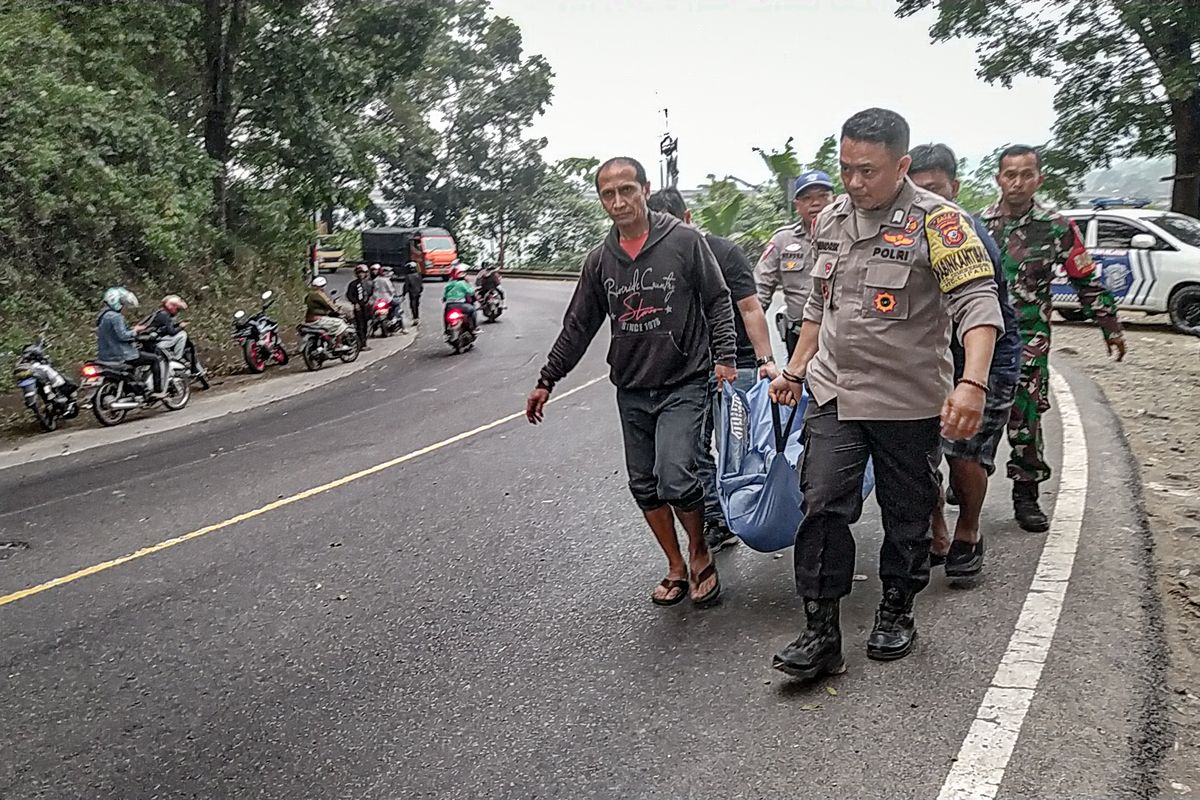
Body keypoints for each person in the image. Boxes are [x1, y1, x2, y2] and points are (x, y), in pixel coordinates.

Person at [768, 109, 1004, 678]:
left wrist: (972, 382)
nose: (853, 183)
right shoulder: (829, 221)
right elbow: (818, 308)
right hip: (834, 391)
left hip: (908, 401)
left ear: (902, 165)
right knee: (822, 503)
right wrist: (796, 371)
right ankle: (821, 629)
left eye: (867, 171)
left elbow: (977, 304)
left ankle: (897, 607)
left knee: (907, 512)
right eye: (846, 168)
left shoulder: (939, 223)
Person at [527, 156, 738, 608]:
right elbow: (578, 325)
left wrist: (724, 358)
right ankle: (675, 564)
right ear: (602, 200)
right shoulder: (601, 260)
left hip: (684, 381)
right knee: (644, 484)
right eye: (608, 194)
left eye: (627, 190)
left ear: (644, 189)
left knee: (677, 475)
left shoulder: (683, 242)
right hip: (632, 388)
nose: (619, 201)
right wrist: (548, 378)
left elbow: (718, 299)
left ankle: (700, 553)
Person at [981, 145, 1127, 532]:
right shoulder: (979, 225)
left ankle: (1025, 492)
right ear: (998, 179)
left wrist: (1109, 327)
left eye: (1026, 174)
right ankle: (969, 478)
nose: (1017, 182)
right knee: (973, 411)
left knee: (1025, 413)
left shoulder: (1057, 227)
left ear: (1038, 179)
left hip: (1029, 335)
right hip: (980, 334)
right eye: (1010, 174)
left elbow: (1086, 279)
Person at [907, 144, 1022, 578]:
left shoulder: (967, 235)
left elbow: (979, 311)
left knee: (963, 456)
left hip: (984, 360)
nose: (926, 200)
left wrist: (973, 383)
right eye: (916, 190)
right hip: (926, 362)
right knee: (918, 458)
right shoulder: (897, 233)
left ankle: (968, 530)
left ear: (954, 188)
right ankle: (936, 527)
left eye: (935, 189)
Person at [647, 187, 780, 553]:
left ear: (688, 218)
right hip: (685, 373)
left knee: (741, 448)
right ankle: (716, 518)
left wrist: (766, 360)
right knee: (692, 451)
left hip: (735, 367)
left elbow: (751, 308)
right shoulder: (653, 262)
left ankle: (757, 513)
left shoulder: (725, 252)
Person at [755, 170, 837, 357]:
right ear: (797, 205)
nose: (815, 203)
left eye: (823, 196)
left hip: (839, 337)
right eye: (807, 198)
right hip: (799, 337)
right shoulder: (783, 240)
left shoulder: (851, 236)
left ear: (835, 199)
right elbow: (761, 289)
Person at [96, 287, 167, 398]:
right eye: (124, 304)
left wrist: (132, 330)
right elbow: (123, 336)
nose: (125, 308)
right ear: (117, 302)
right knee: (154, 359)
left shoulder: (102, 316)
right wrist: (136, 331)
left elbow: (114, 333)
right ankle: (158, 391)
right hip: (122, 354)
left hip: (106, 355)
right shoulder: (116, 317)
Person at [304, 276, 352, 341]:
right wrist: (338, 311)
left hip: (309, 317)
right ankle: (339, 344)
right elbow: (329, 304)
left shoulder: (310, 294)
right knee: (340, 322)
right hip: (317, 318)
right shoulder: (319, 294)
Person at [149, 294, 190, 361]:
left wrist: (178, 325)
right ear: (171, 306)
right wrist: (181, 327)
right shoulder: (165, 315)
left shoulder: (160, 313)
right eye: (177, 309)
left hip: (155, 341)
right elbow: (172, 332)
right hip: (157, 344)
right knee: (183, 334)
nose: (177, 311)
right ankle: (177, 358)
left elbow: (166, 329)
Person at [442, 265, 478, 333]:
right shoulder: (462, 283)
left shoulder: (449, 284)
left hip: (449, 305)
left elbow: (445, 295)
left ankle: (446, 331)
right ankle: (474, 328)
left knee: (446, 316)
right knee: (473, 310)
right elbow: (471, 292)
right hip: (460, 304)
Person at [371, 264, 407, 332]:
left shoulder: (375, 280)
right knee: (397, 306)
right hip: (387, 299)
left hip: (377, 299)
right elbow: (391, 290)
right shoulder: (386, 280)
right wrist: (395, 295)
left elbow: (373, 289)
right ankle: (396, 319)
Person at [346, 264, 374, 350]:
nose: (361, 275)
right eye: (359, 273)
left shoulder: (369, 283)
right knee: (360, 325)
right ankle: (361, 344)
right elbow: (349, 295)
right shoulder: (353, 284)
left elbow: (371, 293)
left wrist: (370, 300)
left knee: (366, 325)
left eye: (363, 273)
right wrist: (355, 303)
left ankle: (364, 341)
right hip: (358, 307)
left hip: (366, 307)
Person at [401, 260, 423, 325]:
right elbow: (421, 285)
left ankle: (415, 317)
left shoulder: (408, 276)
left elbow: (406, 286)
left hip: (412, 293)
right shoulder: (418, 275)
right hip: (418, 292)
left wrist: (403, 294)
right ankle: (417, 317)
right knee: (416, 305)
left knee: (412, 305)